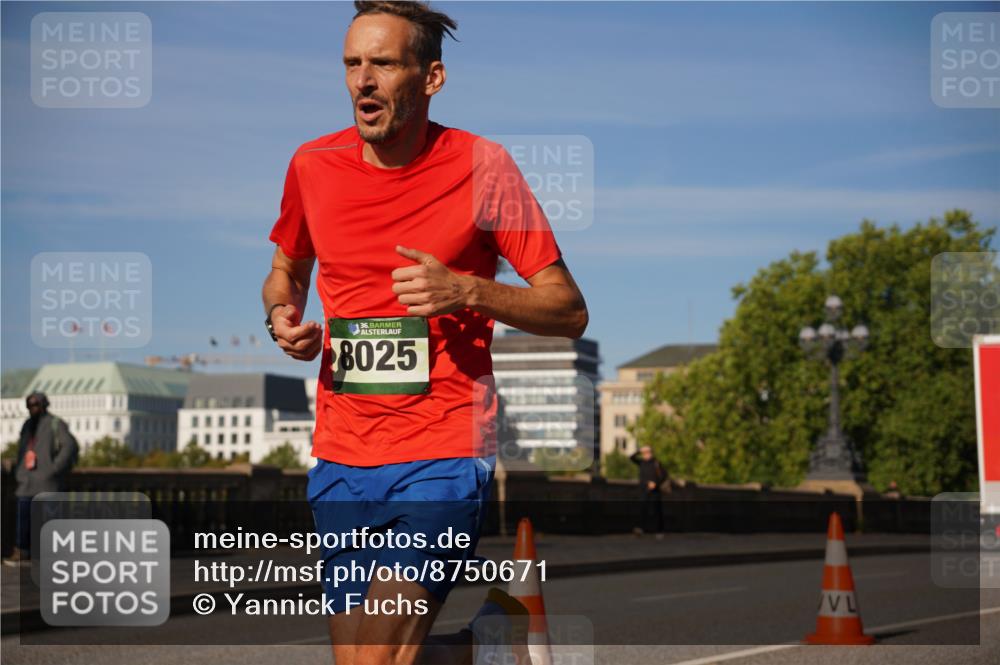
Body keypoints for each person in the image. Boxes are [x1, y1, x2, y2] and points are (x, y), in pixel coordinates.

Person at [260, 3, 588, 664]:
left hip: (443, 449)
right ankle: (486, 646)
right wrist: (280, 316)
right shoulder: (312, 165)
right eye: (352, 64)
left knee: (378, 658)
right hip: (342, 455)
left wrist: (468, 290)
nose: (363, 81)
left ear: (431, 77)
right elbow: (286, 270)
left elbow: (568, 309)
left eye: (383, 63)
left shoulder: (483, 167)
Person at [4, 392, 79, 566]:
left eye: (36, 404)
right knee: (23, 521)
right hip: (26, 481)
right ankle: (22, 552)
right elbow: (22, 450)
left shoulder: (55, 423)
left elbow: (70, 446)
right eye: (29, 405)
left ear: (44, 405)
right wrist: (19, 472)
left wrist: (54, 468)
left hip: (47, 483)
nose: (32, 408)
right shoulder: (27, 425)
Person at [630, 445, 667, 539]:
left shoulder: (656, 463)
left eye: (648, 452)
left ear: (651, 453)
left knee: (657, 510)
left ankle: (659, 531)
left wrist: (656, 483)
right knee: (642, 509)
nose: (646, 454)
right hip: (643, 490)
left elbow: (664, 475)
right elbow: (631, 458)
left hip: (655, 491)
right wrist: (639, 450)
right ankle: (640, 529)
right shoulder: (641, 462)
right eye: (644, 453)